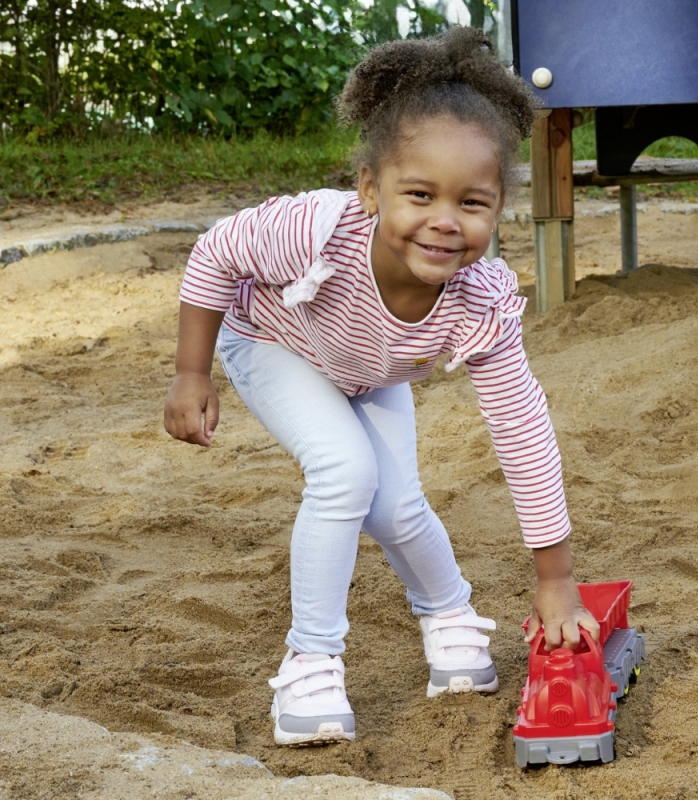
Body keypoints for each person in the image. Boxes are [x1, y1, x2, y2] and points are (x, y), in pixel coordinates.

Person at [163, 27, 600, 747]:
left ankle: (450, 614)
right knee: (346, 471)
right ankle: (311, 661)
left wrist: (555, 576)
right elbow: (216, 253)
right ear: (370, 187)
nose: (444, 222)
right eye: (420, 194)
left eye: (472, 204)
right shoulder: (312, 232)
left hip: (370, 368)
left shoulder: (480, 300)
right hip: (275, 340)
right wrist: (191, 372)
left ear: (499, 207)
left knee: (396, 504)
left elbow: (523, 429)